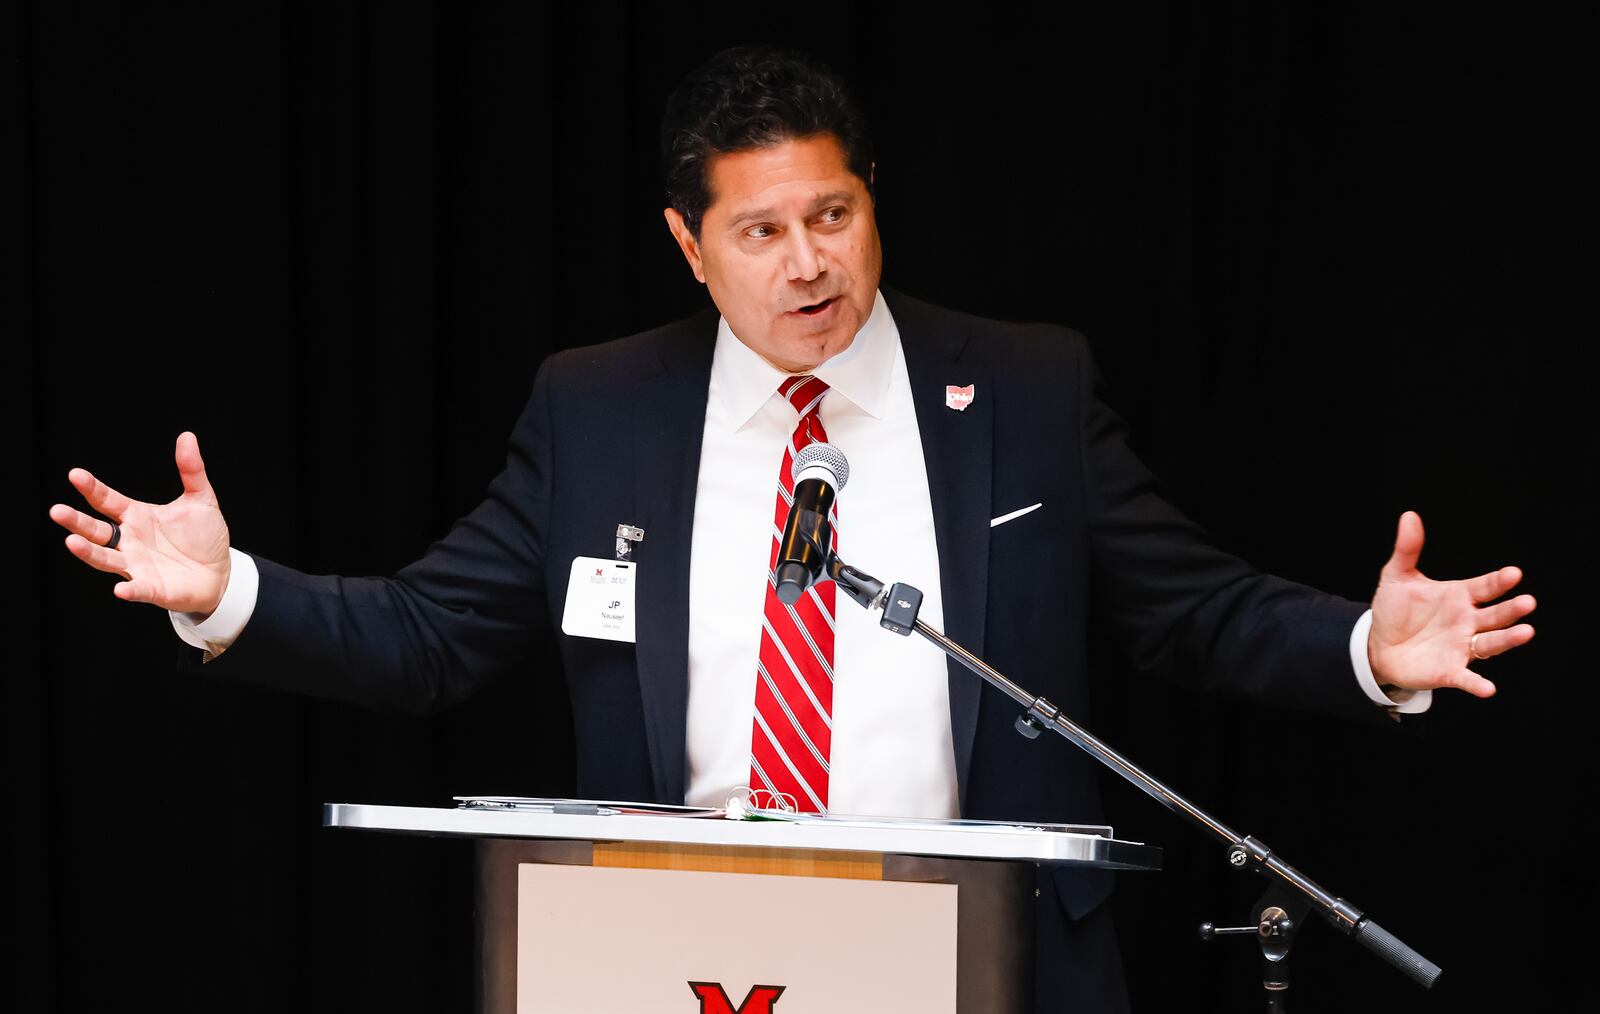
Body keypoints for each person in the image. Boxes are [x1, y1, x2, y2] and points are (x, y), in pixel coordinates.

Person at [48, 46, 1535, 1013]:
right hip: (672, 957)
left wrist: (1364, 644)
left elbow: (1186, 608)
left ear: (873, 206)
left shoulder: (1020, 385)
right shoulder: (599, 410)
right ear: (691, 248)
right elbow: (434, 635)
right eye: (760, 232)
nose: (808, 264)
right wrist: (230, 590)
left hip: (979, 947)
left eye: (833, 215)